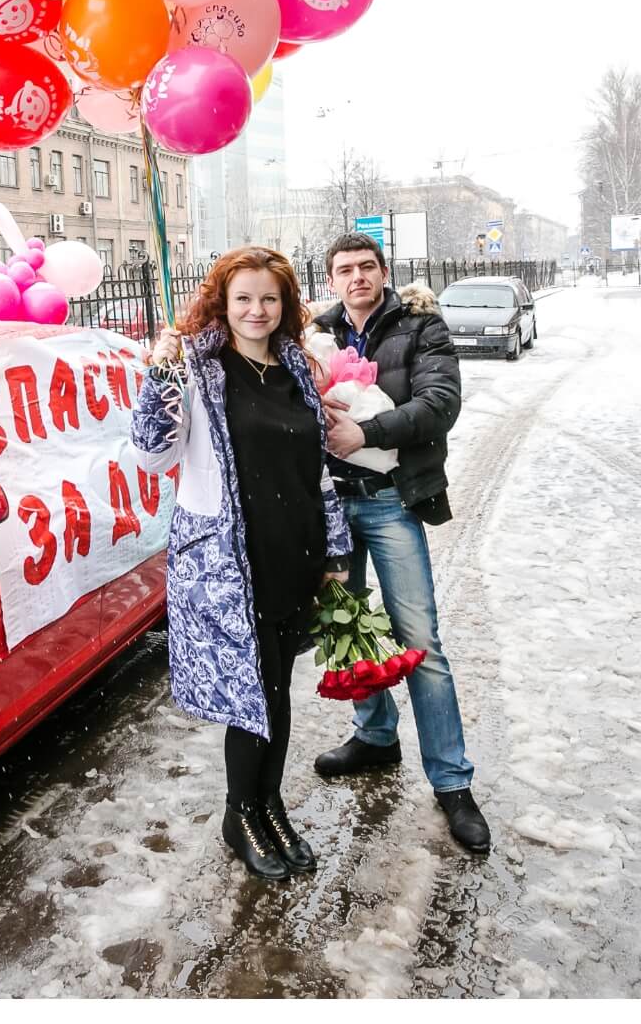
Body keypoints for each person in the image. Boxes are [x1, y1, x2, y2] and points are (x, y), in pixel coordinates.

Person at [132, 247, 352, 882]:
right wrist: (159, 377)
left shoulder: (296, 370)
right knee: (249, 699)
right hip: (228, 564)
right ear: (222, 304)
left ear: (285, 306)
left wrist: (334, 552)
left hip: (295, 552)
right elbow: (150, 455)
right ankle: (241, 814)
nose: (257, 310)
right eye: (244, 299)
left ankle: (271, 805)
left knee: (277, 694)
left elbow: (316, 471)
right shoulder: (197, 370)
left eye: (269, 299)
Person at [311, 232, 490, 853]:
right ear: (331, 278)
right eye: (345, 270)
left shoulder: (421, 328)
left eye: (367, 267)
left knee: (421, 641)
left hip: (390, 505)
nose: (357, 277)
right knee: (349, 627)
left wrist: (364, 433)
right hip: (331, 504)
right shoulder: (316, 332)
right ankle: (375, 735)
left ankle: (452, 782)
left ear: (384, 272)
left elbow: (439, 405)